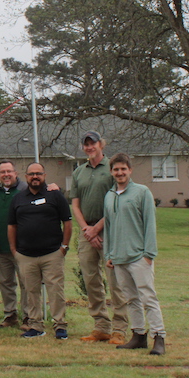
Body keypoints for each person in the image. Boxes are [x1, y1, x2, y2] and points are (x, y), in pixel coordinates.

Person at [104, 153, 167, 355]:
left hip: (140, 256)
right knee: (130, 299)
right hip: (119, 257)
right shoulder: (109, 196)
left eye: (123, 169)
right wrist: (109, 254)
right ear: (111, 172)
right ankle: (138, 335)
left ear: (130, 170)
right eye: (116, 169)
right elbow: (108, 226)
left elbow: (150, 223)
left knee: (148, 297)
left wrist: (149, 254)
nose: (120, 173)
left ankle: (158, 337)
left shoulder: (142, 192)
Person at [70, 131, 129, 344]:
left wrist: (97, 228)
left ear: (100, 144)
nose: (89, 147)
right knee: (91, 280)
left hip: (110, 230)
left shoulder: (112, 167)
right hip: (86, 232)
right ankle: (101, 326)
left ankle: (120, 328)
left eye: (92, 143)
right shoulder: (79, 172)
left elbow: (118, 201)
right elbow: (75, 204)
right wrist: (87, 229)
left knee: (115, 281)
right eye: (85, 144)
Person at [8, 162, 72, 339]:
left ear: (44, 175)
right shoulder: (18, 198)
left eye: (38, 174)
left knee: (55, 290)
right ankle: (36, 326)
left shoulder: (55, 196)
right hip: (26, 255)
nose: (35, 177)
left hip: (52, 254)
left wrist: (64, 247)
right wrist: (14, 250)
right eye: (31, 174)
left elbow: (67, 222)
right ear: (26, 177)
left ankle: (60, 326)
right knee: (31, 292)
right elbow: (12, 226)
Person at [0, 160, 31, 330]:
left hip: (23, 247)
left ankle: (28, 317)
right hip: (2, 246)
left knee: (26, 283)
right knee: (6, 282)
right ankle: (10, 315)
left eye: (9, 171)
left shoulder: (25, 189)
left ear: (15, 173)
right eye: (2, 172)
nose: (6, 175)